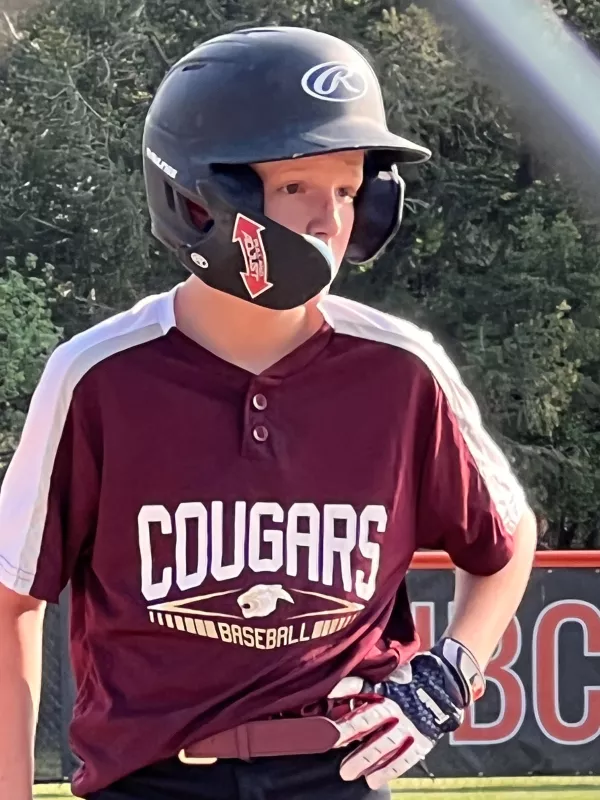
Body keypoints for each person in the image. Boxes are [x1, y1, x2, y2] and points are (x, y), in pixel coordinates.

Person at [0, 25, 537, 800]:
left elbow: (505, 539)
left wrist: (450, 672)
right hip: (151, 781)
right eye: (295, 188)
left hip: (339, 774)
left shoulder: (402, 369)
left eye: (348, 190)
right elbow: (14, 596)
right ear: (198, 198)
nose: (329, 219)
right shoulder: (98, 376)